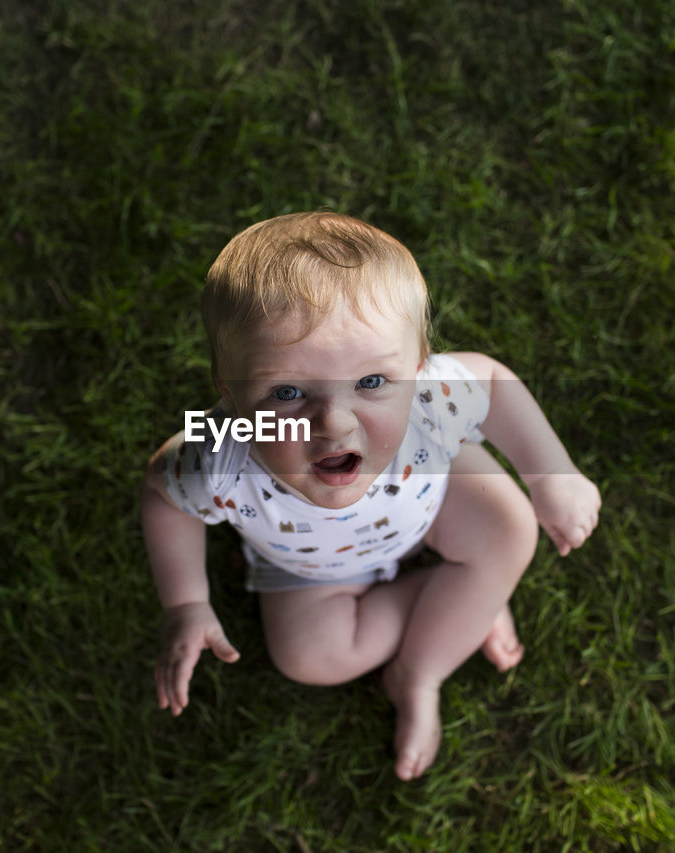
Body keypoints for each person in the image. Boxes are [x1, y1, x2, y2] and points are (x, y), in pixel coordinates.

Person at [142, 211, 601, 780]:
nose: (333, 424)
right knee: (309, 658)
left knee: (508, 529)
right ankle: (463, 603)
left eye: (372, 383)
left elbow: (490, 381)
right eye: (286, 393)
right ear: (231, 395)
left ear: (416, 368)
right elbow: (162, 493)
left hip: (428, 497)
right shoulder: (223, 451)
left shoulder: (429, 400)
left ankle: (420, 672)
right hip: (311, 570)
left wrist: (552, 475)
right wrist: (186, 603)